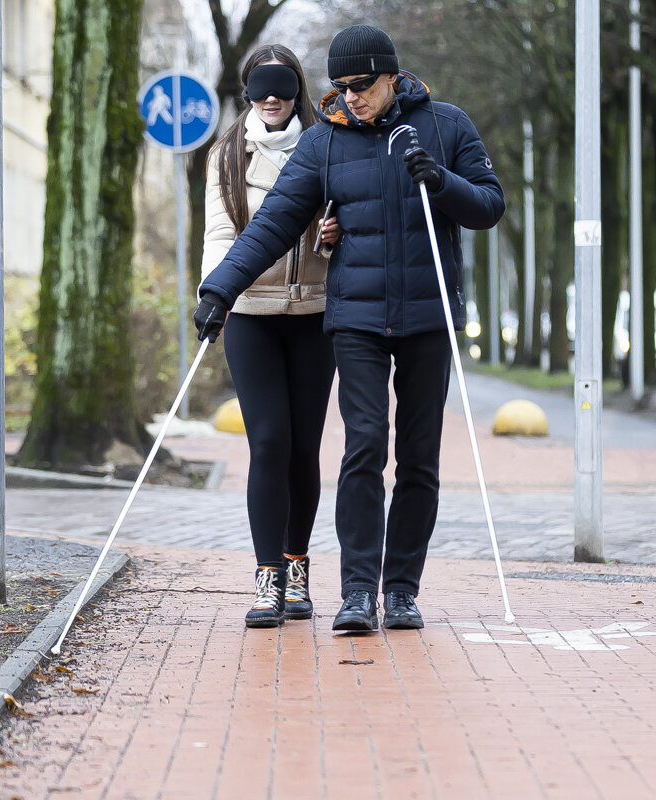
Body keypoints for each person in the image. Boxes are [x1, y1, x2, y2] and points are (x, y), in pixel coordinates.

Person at [196, 24, 504, 633]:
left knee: (418, 458)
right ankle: (358, 592)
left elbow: (489, 206)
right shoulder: (326, 143)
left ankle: (402, 590)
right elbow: (273, 224)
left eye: (362, 86)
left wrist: (441, 181)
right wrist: (220, 289)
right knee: (363, 447)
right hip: (356, 321)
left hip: (426, 319)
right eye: (340, 87)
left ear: (393, 76)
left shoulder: (445, 126)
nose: (351, 97)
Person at [197, 44, 334, 629]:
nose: (273, 98)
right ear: (248, 91)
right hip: (251, 313)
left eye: (283, 87)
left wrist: (336, 235)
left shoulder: (328, 142)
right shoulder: (225, 156)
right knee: (270, 441)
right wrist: (213, 294)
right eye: (261, 88)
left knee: (305, 447)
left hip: (314, 315)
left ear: (297, 89)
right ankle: (266, 579)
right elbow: (219, 233)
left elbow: (355, 218)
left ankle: (298, 568)